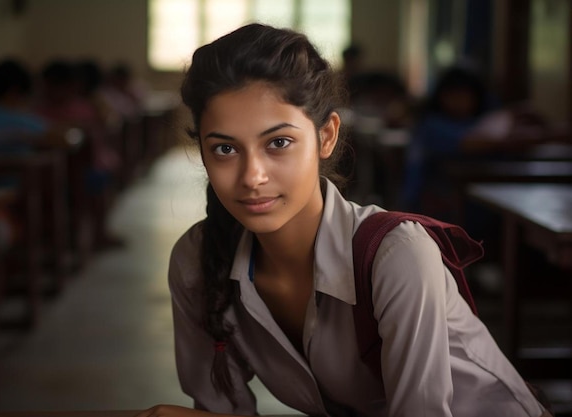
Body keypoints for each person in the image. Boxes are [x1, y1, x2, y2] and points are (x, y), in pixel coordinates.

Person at [138, 24, 551, 417]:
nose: (252, 177)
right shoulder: (199, 258)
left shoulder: (397, 255)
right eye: (225, 149)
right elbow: (221, 409)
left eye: (278, 143)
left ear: (326, 136)